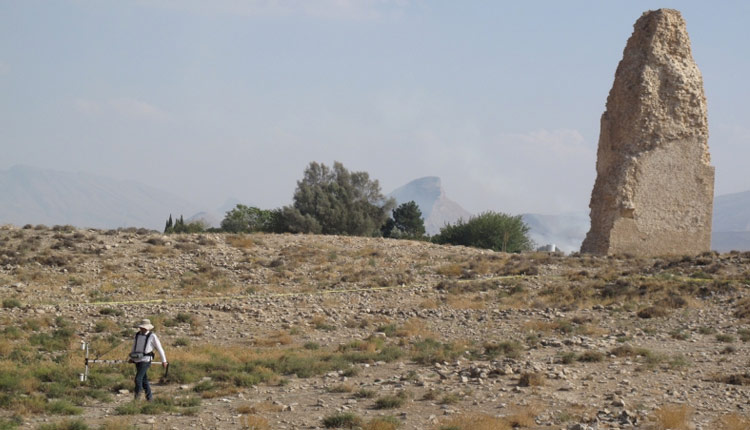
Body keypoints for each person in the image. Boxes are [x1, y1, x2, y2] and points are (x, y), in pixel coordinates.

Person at [128, 318, 167, 401]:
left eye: (144, 327)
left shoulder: (152, 336)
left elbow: (160, 349)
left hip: (146, 360)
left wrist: (164, 361)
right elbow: (134, 347)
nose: (142, 329)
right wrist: (131, 358)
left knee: (138, 379)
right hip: (137, 359)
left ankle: (136, 399)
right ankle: (150, 399)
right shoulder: (137, 335)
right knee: (144, 380)